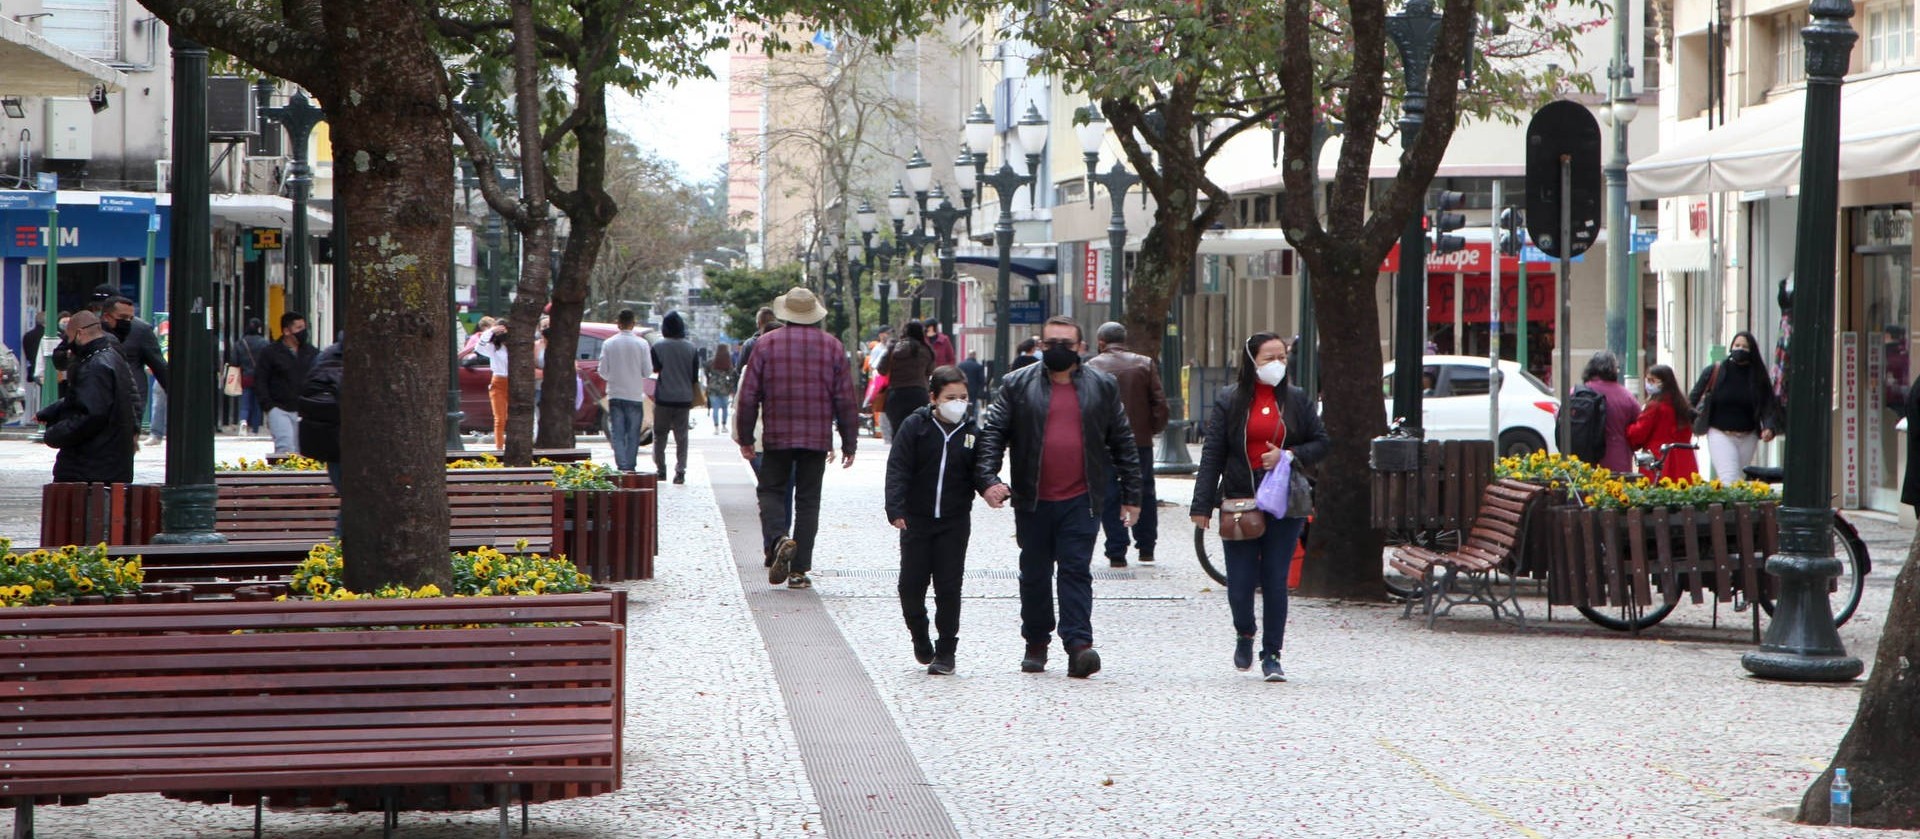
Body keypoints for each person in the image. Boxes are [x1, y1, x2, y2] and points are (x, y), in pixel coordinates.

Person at [976, 315, 1141, 679]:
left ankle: (1079, 645)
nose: (1059, 350)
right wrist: (988, 480)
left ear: (1081, 348)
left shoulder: (1103, 385)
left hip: (1082, 499)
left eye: (1066, 344)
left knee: (1075, 570)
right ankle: (1036, 642)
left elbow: (1123, 441)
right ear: (1041, 345)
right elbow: (993, 434)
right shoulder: (1016, 384)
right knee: (1034, 574)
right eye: (1051, 344)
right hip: (1033, 499)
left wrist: (1133, 494)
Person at [1189, 332, 1327, 682]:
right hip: (1240, 497)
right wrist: (1202, 504)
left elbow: (1321, 442)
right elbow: (1213, 454)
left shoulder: (1296, 400)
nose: (1277, 364)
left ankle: (1273, 654)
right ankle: (1244, 632)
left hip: (1285, 499)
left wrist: (1289, 455)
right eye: (1269, 358)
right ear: (1252, 362)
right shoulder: (1230, 400)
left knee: (1275, 579)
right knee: (1240, 580)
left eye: (1282, 356)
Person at [735, 286, 860, 590]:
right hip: (816, 438)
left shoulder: (765, 345)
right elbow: (845, 398)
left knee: (771, 491)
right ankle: (799, 570)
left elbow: (749, 395)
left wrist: (746, 436)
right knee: (807, 501)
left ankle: (778, 540)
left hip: (777, 436)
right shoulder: (832, 347)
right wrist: (849, 441)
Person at [886, 366, 984, 675]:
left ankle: (946, 651)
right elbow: (898, 468)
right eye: (950, 397)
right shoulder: (915, 427)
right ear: (934, 398)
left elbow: (980, 470)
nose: (957, 403)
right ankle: (919, 635)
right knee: (910, 586)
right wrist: (896, 508)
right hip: (917, 519)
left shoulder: (971, 433)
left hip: (954, 522)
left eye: (963, 397)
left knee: (949, 586)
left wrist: (992, 486)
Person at [1084, 322, 1169, 568]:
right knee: (1143, 490)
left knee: (1109, 493)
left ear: (1101, 342)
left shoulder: (1091, 368)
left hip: (1104, 443)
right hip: (1139, 439)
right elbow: (1159, 403)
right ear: (1124, 340)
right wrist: (1151, 428)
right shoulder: (1144, 364)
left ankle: (1116, 550)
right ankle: (1146, 546)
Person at [34, 311, 137, 483]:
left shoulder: (94, 366)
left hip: (90, 468)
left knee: (88, 508)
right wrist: (54, 410)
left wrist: (54, 434)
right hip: (109, 463)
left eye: (69, 337)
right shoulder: (112, 358)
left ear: (80, 333)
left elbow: (91, 415)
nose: (68, 343)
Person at [1688, 330, 1781, 482]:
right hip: (1720, 433)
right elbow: (1692, 400)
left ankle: (1725, 505)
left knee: (1737, 480)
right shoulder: (1715, 371)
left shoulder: (1758, 377)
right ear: (1731, 347)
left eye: (1745, 347)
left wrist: (1769, 427)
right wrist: (1694, 420)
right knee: (1729, 478)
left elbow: (1768, 406)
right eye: (1737, 345)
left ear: (1752, 351)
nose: (1740, 349)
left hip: (1748, 436)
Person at [95, 292, 168, 433]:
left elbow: (159, 366)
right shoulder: (92, 330)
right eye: (122, 317)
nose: (127, 322)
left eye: (130, 317)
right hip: (100, 397)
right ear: (106, 315)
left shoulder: (141, 330)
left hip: (130, 399)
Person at [255, 311, 318, 456]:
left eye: (304, 327)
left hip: (305, 410)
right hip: (279, 408)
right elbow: (260, 380)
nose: (303, 332)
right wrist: (269, 406)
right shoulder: (270, 353)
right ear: (286, 331)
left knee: (304, 450)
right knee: (285, 448)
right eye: (299, 328)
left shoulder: (312, 353)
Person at [598, 309, 653, 472]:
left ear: (618, 323)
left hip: (615, 393)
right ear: (633, 323)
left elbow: (603, 371)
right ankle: (630, 465)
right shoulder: (642, 344)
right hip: (635, 394)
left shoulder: (608, 343)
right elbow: (647, 371)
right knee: (634, 433)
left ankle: (621, 466)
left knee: (617, 432)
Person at [298, 338, 345, 527]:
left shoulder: (325, 355)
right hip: (338, 439)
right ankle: (339, 546)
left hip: (330, 439)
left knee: (351, 499)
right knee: (355, 500)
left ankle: (339, 547)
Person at [650, 311, 699, 484]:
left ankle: (661, 469)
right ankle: (680, 471)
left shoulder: (658, 347)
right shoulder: (691, 348)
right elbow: (694, 377)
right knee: (682, 436)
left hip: (664, 397)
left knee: (660, 434)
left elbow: (655, 369)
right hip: (684, 398)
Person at [1626, 364, 1699, 481]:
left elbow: (1638, 434)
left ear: (1663, 382)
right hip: (1684, 460)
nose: (1648, 384)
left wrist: (1627, 428)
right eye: (1647, 380)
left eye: (1652, 380)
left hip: (1659, 459)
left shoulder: (1655, 406)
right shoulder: (1682, 405)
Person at [1579, 351, 1641, 474]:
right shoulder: (1626, 396)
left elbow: (1560, 417)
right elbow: (1640, 425)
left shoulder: (1577, 393)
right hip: (1617, 459)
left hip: (1582, 458)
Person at [879, 320, 935, 436]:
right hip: (919, 394)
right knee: (918, 431)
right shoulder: (926, 350)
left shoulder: (894, 348)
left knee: (897, 432)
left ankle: (898, 452)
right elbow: (930, 371)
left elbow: (881, 370)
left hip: (896, 395)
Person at [473, 319, 513, 446]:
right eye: (499, 330)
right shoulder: (493, 348)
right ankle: (499, 448)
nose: (502, 333)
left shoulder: (516, 347)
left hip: (515, 382)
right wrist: (491, 331)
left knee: (516, 418)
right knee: (500, 418)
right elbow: (478, 347)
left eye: (504, 330)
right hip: (498, 381)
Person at [227, 318, 269, 434]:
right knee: (257, 404)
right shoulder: (264, 343)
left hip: (246, 376)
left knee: (245, 402)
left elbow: (234, 361)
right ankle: (255, 428)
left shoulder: (241, 342)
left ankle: (243, 421)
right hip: (260, 377)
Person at [707, 342, 737, 432]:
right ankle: (724, 426)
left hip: (713, 386)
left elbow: (706, 371)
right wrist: (732, 388)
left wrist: (710, 380)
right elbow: (732, 376)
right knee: (724, 408)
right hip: (724, 387)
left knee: (715, 408)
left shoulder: (711, 361)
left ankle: (716, 427)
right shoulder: (728, 361)